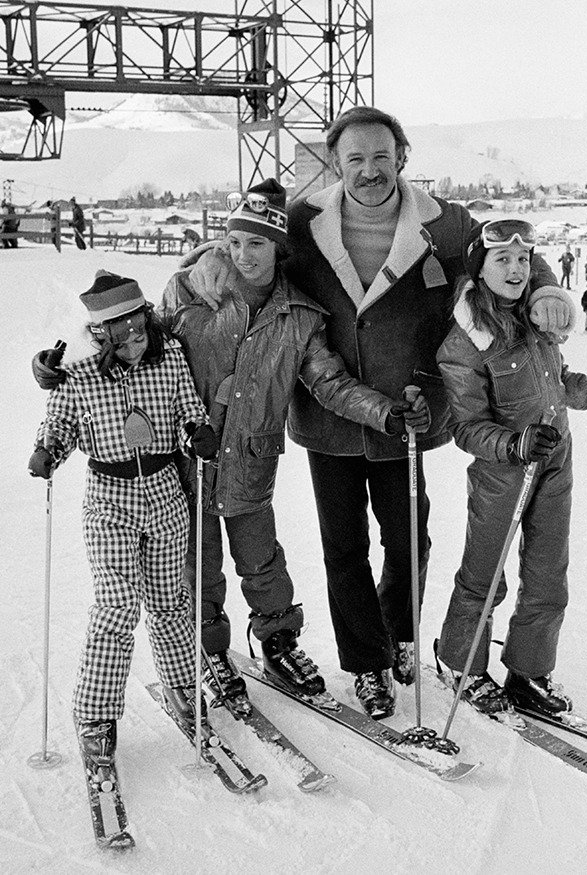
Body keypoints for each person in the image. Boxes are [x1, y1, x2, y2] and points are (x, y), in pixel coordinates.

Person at [182, 107, 575, 720]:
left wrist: (547, 288)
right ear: (336, 162)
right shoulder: (303, 219)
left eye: (381, 156)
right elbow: (245, 240)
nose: (369, 170)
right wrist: (208, 259)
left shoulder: (446, 224)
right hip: (327, 412)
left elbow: (511, 249)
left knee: (408, 539)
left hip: (410, 412)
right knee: (344, 547)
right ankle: (366, 662)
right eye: (355, 158)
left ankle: (400, 638)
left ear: (402, 157)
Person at [155, 178, 428, 712]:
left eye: (255, 244)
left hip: (252, 464)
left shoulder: (299, 316)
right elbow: (137, 343)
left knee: (263, 562)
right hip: (189, 460)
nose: (242, 255)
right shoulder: (192, 294)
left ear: (279, 250)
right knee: (200, 562)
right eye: (232, 243)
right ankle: (209, 648)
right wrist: (69, 367)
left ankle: (278, 640)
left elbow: (329, 383)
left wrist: (385, 413)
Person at [435, 220, 587, 719]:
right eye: (502, 259)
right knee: (484, 577)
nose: (516, 269)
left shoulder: (536, 321)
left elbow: (559, 380)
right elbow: (466, 428)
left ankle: (528, 670)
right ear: (480, 269)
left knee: (549, 575)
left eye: (523, 259)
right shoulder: (465, 343)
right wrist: (514, 443)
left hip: (554, 463)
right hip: (502, 474)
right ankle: (459, 664)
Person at [28, 270, 217, 769]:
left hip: (164, 494)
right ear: (101, 335)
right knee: (117, 606)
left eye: (140, 330)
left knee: (170, 601)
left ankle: (181, 687)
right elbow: (61, 422)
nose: (134, 343)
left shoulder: (169, 356)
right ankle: (96, 713)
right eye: (122, 336)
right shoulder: (81, 373)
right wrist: (48, 449)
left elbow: (186, 408)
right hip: (109, 498)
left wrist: (196, 430)